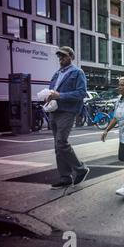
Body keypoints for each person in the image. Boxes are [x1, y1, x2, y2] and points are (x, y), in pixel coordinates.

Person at [49, 46, 90, 189]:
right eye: (59, 57)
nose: (61, 59)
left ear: (71, 57)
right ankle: (65, 177)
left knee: (61, 142)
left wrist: (60, 96)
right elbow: (52, 91)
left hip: (68, 111)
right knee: (57, 147)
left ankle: (81, 169)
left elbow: (81, 93)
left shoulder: (77, 72)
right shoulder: (57, 73)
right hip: (54, 111)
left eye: (64, 56)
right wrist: (48, 97)